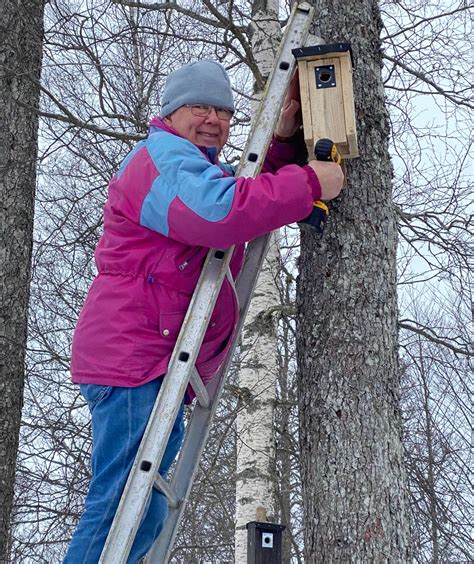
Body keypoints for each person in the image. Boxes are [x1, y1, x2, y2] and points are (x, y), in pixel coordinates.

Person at [64, 60, 343, 563]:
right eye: (200, 107)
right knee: (117, 507)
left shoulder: (192, 166)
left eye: (223, 110)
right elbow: (217, 213)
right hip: (131, 355)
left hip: (147, 356)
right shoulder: (159, 159)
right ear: (171, 113)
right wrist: (309, 184)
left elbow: (239, 195)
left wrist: (281, 146)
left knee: (142, 511)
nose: (213, 118)